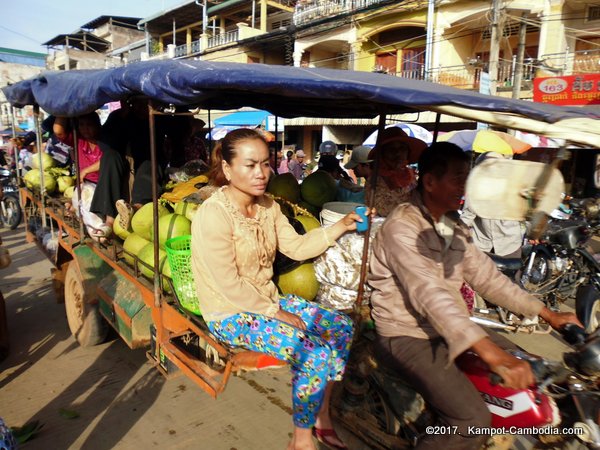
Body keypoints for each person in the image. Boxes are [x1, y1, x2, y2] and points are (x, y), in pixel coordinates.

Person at [369, 142, 581, 450]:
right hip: (407, 334)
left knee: (539, 377)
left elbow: (488, 278)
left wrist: (547, 313)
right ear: (429, 182)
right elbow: (430, 296)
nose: (464, 187)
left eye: (467, 177)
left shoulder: (452, 224)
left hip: (451, 327)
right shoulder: (402, 227)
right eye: (457, 178)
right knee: (472, 422)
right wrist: (492, 354)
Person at [191, 128, 370, 450]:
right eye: (250, 165)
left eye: (265, 164)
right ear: (228, 169)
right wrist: (277, 313)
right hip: (230, 311)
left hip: (267, 301)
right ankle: (301, 440)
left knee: (340, 328)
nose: (261, 173)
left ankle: (321, 416)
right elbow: (226, 283)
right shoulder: (213, 215)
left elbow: (298, 247)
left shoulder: (269, 207)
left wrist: (341, 226)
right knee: (313, 352)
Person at [461, 152, 524, 258]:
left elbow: (524, 213)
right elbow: (467, 216)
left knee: (509, 274)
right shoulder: (475, 189)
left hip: (509, 245)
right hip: (482, 245)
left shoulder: (512, 188)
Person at [366, 127, 426, 217]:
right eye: (391, 150)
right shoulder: (374, 181)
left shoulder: (412, 176)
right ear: (383, 154)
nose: (398, 153)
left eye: (402, 148)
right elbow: (385, 210)